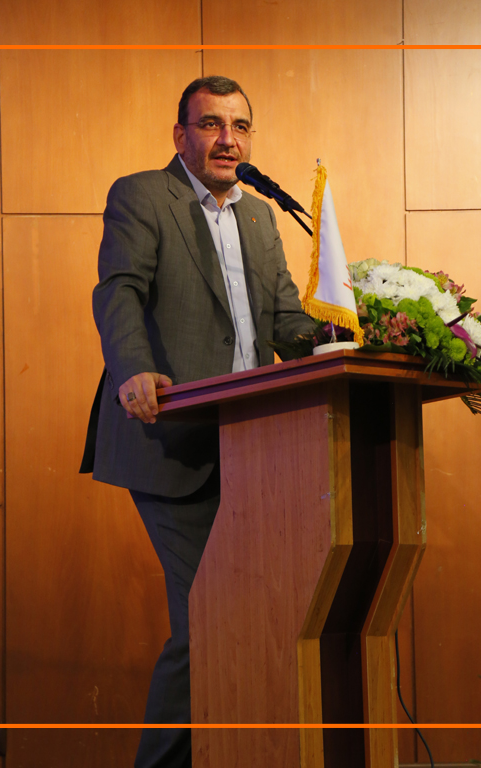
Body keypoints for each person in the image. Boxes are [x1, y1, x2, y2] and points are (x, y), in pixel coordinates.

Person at [82, 75, 316, 768]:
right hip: (170, 437)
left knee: (241, 622)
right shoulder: (144, 195)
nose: (227, 139)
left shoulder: (260, 217)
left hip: (255, 450)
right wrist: (133, 369)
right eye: (211, 124)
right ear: (181, 135)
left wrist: (360, 334)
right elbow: (119, 290)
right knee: (205, 621)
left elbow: (287, 322)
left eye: (239, 126)